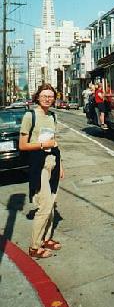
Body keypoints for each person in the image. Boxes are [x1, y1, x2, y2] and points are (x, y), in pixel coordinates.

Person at [19, 83, 64, 259]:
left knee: (51, 203)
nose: (48, 98)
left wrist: (61, 165)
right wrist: (43, 145)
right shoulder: (30, 116)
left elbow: (55, 143)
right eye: (44, 95)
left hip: (53, 163)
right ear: (37, 97)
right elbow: (23, 145)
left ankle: (46, 239)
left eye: (51, 96)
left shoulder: (52, 116)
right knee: (44, 206)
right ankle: (34, 247)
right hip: (39, 166)